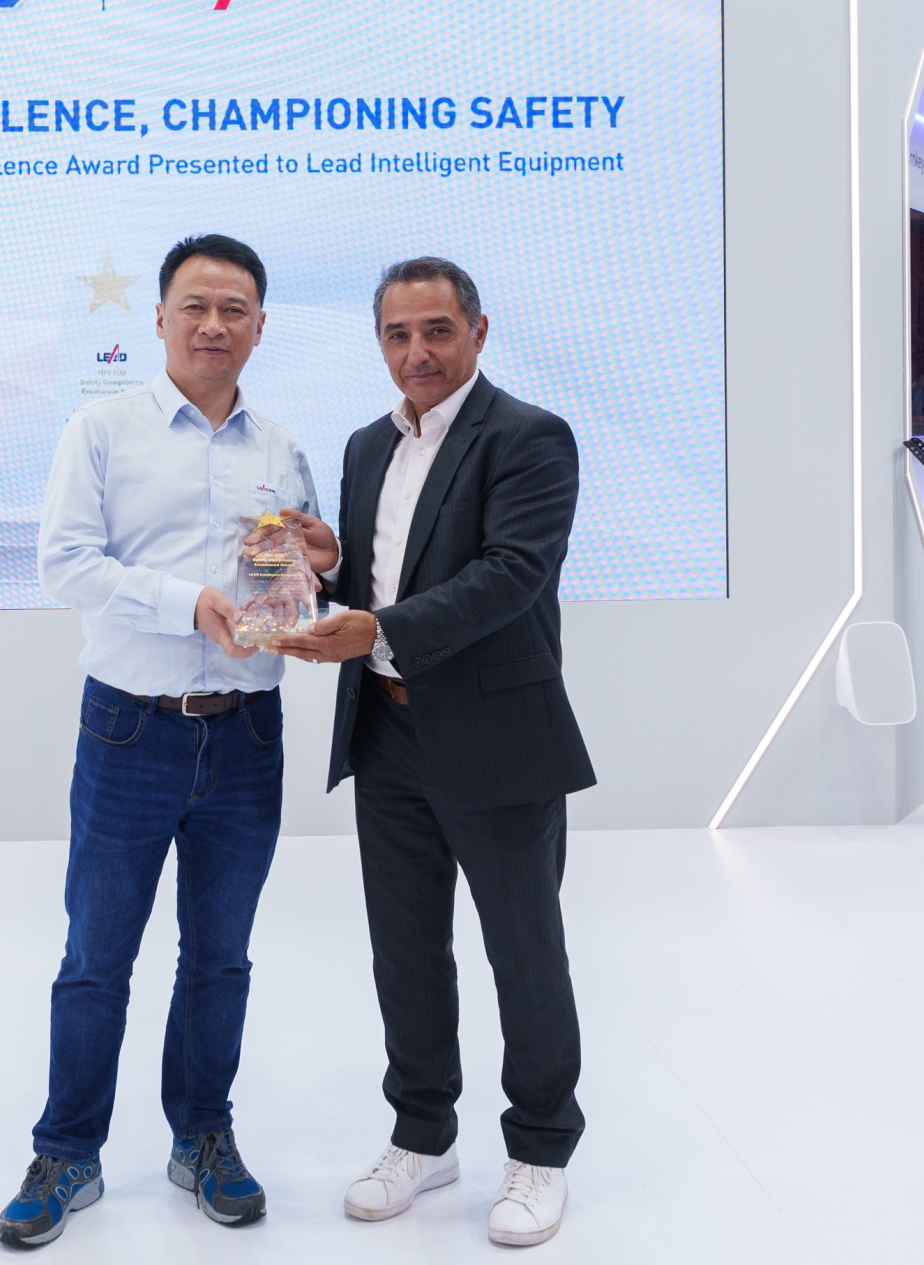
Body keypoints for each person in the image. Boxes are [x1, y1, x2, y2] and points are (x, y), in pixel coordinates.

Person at [2, 234, 336, 1247]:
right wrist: (183, 604)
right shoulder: (101, 430)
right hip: (129, 730)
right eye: (195, 306)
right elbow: (64, 564)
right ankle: (67, 1151)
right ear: (158, 319)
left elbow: (295, 574)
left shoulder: (280, 448)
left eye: (234, 309)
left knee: (220, 958)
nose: (213, 325)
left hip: (247, 735)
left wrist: (319, 566)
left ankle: (202, 1138)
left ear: (260, 327)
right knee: (95, 957)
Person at [272, 257, 595, 1250]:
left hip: (498, 737)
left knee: (522, 951)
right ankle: (422, 1133)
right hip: (388, 734)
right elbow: (382, 583)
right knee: (405, 949)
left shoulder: (530, 437)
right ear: (379, 342)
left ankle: (540, 1149)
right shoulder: (368, 445)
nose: (417, 352)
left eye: (437, 331)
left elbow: (510, 575)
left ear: (478, 332)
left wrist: (374, 628)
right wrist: (326, 574)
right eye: (398, 334)